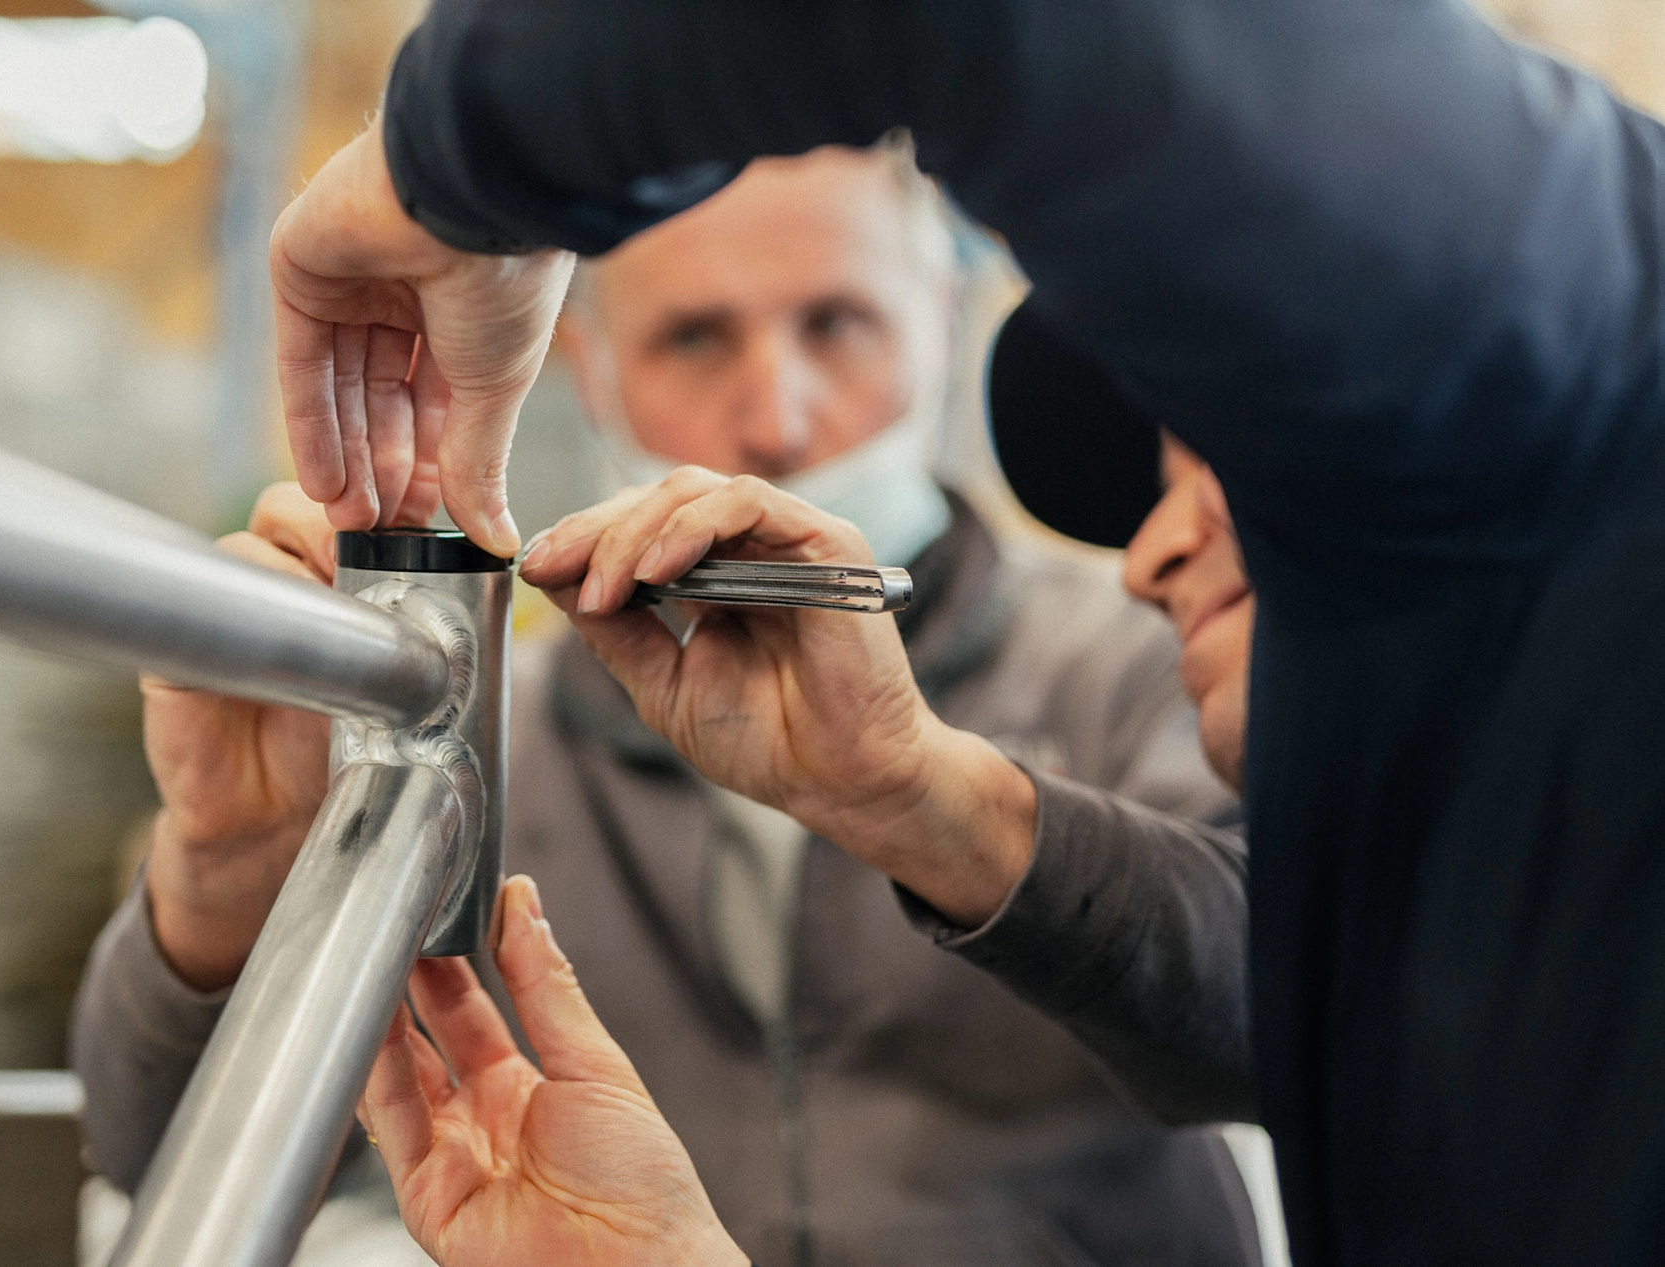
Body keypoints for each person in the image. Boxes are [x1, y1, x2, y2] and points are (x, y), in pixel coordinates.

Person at [264, 3, 1665, 1263]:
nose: (1150, 558)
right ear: (599, 361)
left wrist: (452, 173)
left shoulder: (1589, 306)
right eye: (697, 336)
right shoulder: (1509, 954)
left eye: (1231, 443)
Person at [73, 149, 1264, 1266]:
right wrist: (232, 876)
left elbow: (1298, 1014)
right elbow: (164, 1158)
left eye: (837, 324)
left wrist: (923, 795)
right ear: (584, 367)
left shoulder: (1159, 651)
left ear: (942, 319)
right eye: (694, 337)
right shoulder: (490, 735)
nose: (778, 419)